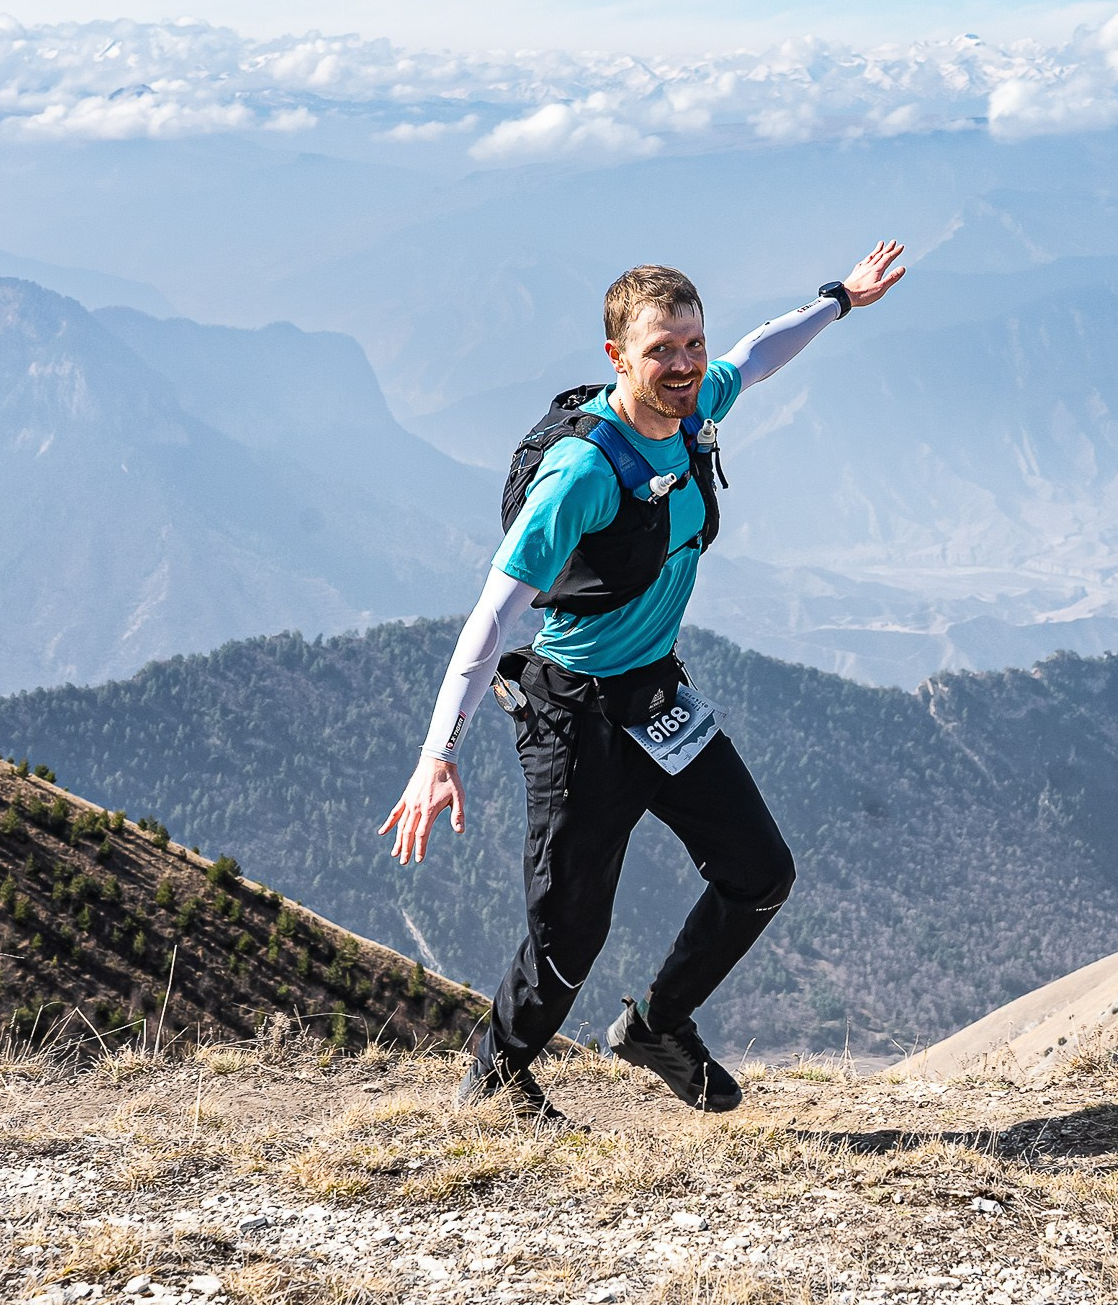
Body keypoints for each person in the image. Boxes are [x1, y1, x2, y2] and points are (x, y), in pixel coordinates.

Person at [382, 242, 907, 1122]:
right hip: (574, 719)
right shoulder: (583, 474)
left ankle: (659, 1025)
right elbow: (491, 618)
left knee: (760, 871)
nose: (685, 364)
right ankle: (498, 1078)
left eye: (692, 344)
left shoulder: (698, 406)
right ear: (616, 357)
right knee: (571, 932)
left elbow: (761, 353)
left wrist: (841, 299)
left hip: (656, 701)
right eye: (662, 349)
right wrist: (438, 753)